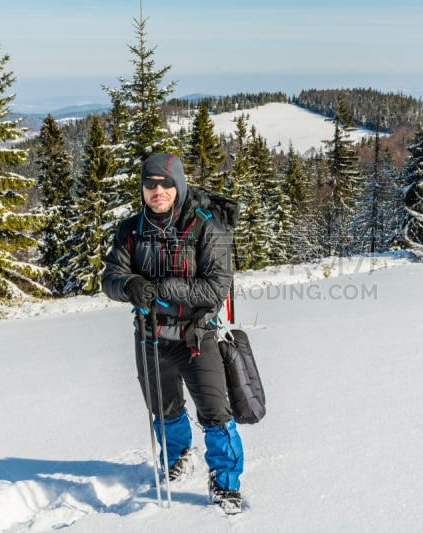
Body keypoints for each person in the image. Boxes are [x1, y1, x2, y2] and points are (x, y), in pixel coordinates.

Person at [102, 153, 244, 514]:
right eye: (150, 184)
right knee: (164, 410)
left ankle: (226, 483)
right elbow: (110, 279)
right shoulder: (130, 230)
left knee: (215, 413)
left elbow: (216, 288)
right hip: (150, 337)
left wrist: (160, 288)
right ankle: (179, 457)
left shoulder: (209, 227)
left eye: (165, 183)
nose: (158, 190)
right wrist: (130, 285)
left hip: (197, 337)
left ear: (178, 185)